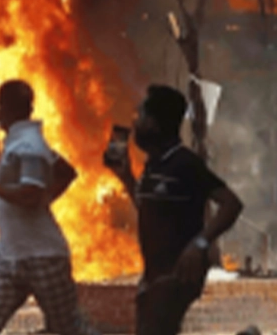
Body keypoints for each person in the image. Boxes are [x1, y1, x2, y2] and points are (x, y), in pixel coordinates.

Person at [0, 80, 99, 335]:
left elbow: (30, 196)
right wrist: (46, 198)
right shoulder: (27, 142)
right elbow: (66, 172)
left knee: (67, 329)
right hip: (9, 255)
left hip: (43, 258)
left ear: (7, 109)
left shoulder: (28, 146)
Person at [104, 84, 243, 335]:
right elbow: (148, 208)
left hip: (177, 274)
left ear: (156, 124)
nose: (136, 124)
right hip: (154, 273)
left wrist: (199, 244)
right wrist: (126, 178)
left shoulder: (184, 164)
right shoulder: (153, 164)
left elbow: (231, 204)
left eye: (141, 117)